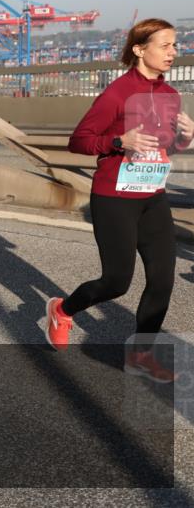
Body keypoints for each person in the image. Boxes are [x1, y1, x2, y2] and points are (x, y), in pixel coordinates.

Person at [46, 19, 193, 383]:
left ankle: (141, 355)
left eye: (175, 45)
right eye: (165, 45)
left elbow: (164, 147)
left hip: (152, 196)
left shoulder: (170, 96)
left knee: (162, 280)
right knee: (117, 281)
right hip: (114, 197)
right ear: (140, 49)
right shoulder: (118, 93)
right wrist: (117, 143)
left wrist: (186, 139)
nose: (173, 52)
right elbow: (80, 141)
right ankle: (63, 310)